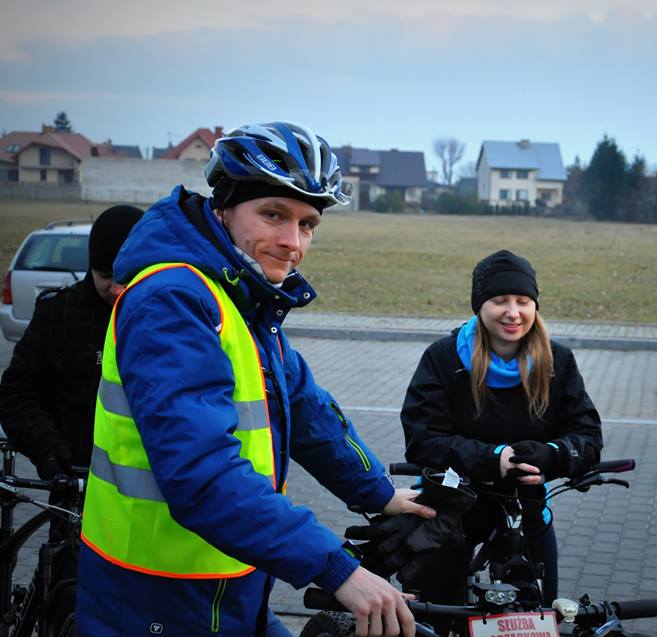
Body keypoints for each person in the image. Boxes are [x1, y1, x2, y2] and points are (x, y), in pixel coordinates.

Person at [75, 122, 433, 637]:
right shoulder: (172, 299)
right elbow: (202, 472)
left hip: (232, 578)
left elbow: (305, 409)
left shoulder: (241, 293)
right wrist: (337, 569)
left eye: (307, 224)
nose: (292, 242)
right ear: (224, 207)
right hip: (156, 594)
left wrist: (380, 493)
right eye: (273, 215)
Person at [399, 250, 603, 607]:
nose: (513, 312)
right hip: (453, 506)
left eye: (523, 301)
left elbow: (587, 436)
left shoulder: (557, 361)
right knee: (439, 610)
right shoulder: (443, 358)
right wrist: (493, 459)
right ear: (479, 306)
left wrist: (552, 455)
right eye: (499, 301)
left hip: (527, 507)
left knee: (540, 612)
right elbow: (422, 439)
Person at [0, 204, 144, 480]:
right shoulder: (58, 314)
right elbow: (16, 394)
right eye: (105, 276)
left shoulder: (171, 319)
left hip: (147, 494)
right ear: (90, 267)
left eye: (127, 277)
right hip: (72, 486)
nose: (116, 289)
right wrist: (47, 448)